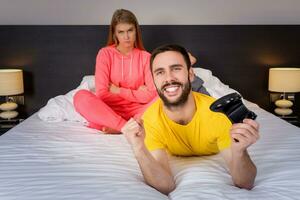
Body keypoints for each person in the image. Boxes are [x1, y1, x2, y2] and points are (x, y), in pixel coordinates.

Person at [122, 44, 260, 195]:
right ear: (153, 80)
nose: (169, 78)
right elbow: (165, 186)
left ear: (190, 74)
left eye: (176, 68)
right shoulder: (150, 120)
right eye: (160, 72)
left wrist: (240, 151)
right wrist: (138, 148)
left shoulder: (218, 114)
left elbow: (245, 182)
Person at [74, 9, 157, 134]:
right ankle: (126, 127)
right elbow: (102, 94)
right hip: (109, 111)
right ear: (115, 34)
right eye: (121, 32)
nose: (126, 37)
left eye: (130, 30)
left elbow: (151, 95)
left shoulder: (146, 57)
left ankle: (121, 127)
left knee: (164, 96)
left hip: (139, 112)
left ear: (136, 31)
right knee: (80, 97)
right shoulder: (105, 54)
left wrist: (118, 90)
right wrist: (137, 94)